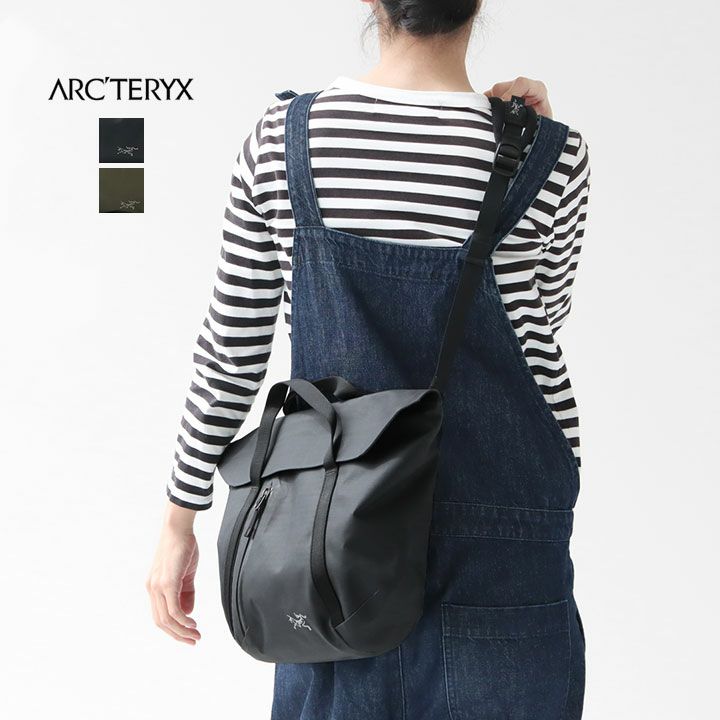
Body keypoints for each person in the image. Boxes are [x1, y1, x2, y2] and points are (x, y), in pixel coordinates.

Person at [148, 1, 591, 717]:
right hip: (501, 523)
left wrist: (179, 521)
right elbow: (540, 322)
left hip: (329, 534)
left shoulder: (282, 140)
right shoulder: (553, 151)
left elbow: (232, 348)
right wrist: (526, 140)